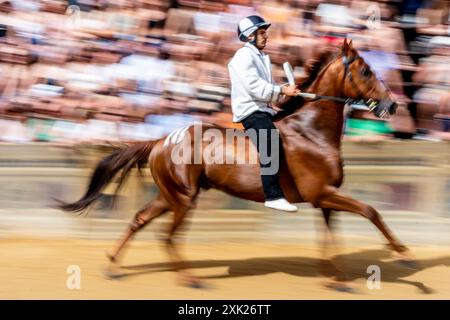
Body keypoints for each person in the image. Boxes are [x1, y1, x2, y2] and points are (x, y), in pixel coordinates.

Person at [228, 15, 301, 212]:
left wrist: (284, 89)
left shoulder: (259, 56)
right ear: (250, 36)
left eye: (265, 32)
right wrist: (281, 91)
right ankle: (273, 195)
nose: (266, 36)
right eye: (261, 32)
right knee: (271, 140)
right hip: (251, 113)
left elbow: (265, 88)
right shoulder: (244, 56)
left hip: (264, 109)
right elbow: (254, 87)